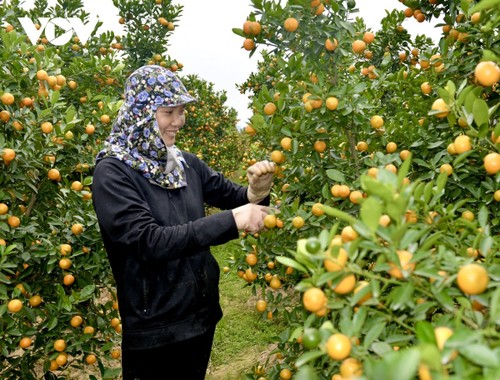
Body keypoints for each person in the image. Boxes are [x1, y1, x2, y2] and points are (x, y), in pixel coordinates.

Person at [91, 65, 275, 379]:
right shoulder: (113, 173)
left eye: (181, 112)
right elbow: (149, 242)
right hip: (155, 329)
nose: (179, 121)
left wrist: (256, 192)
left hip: (200, 317)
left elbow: (235, 197)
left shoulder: (184, 163)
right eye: (169, 112)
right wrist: (231, 221)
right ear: (142, 114)